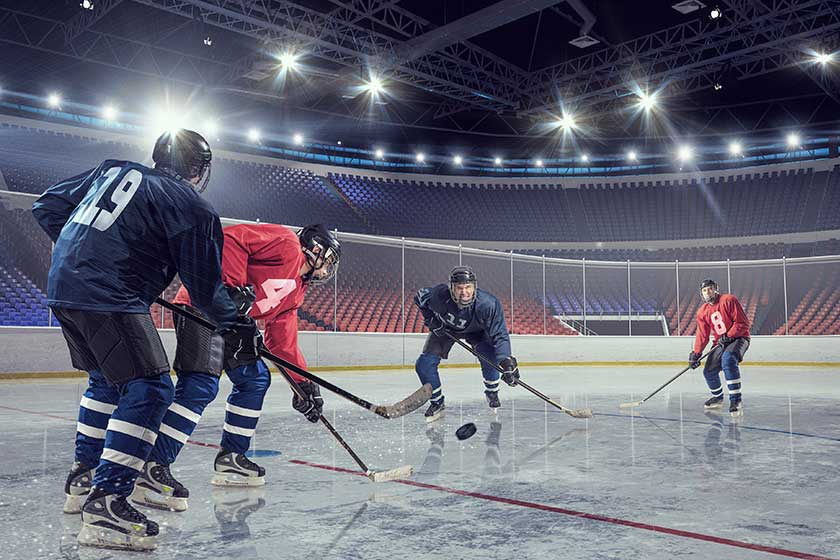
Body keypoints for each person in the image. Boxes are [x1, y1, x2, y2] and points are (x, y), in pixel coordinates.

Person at [32, 129, 251, 550]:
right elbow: (205, 293)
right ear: (198, 169)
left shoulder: (112, 170)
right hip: (109, 293)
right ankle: (108, 501)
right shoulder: (193, 206)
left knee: (104, 381)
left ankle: (84, 475)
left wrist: (86, 250)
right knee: (152, 387)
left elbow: (48, 206)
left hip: (64, 285)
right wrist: (239, 324)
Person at [129, 223, 340, 510]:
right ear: (315, 248)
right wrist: (231, 287)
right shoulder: (286, 242)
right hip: (202, 305)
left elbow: (281, 343)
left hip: (231, 323)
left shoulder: (297, 291)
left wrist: (303, 385)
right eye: (328, 260)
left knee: (255, 379)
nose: (328, 270)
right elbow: (232, 238)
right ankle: (153, 466)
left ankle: (232, 459)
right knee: (200, 385)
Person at [413, 266, 519, 422]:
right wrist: (431, 319)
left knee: (489, 356)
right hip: (445, 329)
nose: (464, 292)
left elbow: (500, 334)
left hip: (477, 332)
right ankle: (437, 402)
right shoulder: (439, 295)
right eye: (459, 288)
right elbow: (420, 297)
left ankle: (492, 391)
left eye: (468, 287)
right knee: (423, 364)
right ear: (451, 288)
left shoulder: (488, 304)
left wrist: (507, 363)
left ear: (474, 287)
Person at [688, 278, 751, 417]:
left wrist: (730, 334)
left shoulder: (729, 300)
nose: (707, 292)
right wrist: (696, 353)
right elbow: (702, 335)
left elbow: (743, 323)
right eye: (704, 290)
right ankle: (718, 397)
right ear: (701, 294)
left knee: (728, 360)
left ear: (716, 289)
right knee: (709, 371)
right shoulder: (702, 312)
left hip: (739, 338)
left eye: (710, 288)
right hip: (720, 343)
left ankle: (736, 400)